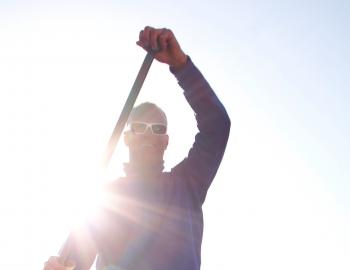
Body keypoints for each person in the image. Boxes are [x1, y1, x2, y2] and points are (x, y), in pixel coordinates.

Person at [44, 26, 230, 270]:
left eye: (157, 128)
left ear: (166, 140)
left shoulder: (186, 185)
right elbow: (75, 262)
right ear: (128, 137)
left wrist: (182, 66)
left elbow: (216, 125)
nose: (148, 133)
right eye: (140, 126)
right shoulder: (104, 202)